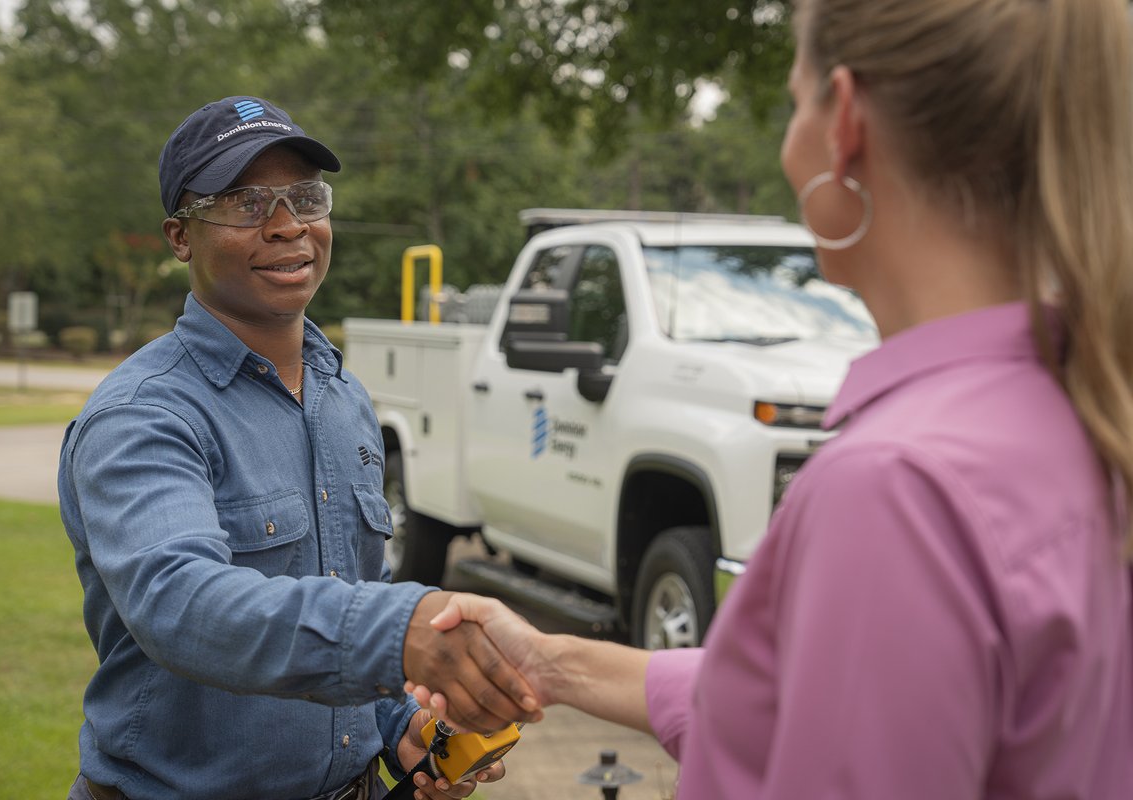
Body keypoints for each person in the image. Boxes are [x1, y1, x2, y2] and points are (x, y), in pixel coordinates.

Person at [410, 1, 1133, 797]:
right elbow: (824, 698)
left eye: (797, 101)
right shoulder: (1081, 410)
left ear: (844, 123)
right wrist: (553, 661)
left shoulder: (896, 489)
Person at [58, 96, 540, 800]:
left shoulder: (342, 397)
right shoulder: (143, 416)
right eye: (245, 204)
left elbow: (351, 590)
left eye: (305, 197)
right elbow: (179, 602)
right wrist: (396, 632)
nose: (287, 226)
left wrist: (398, 725)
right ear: (180, 236)